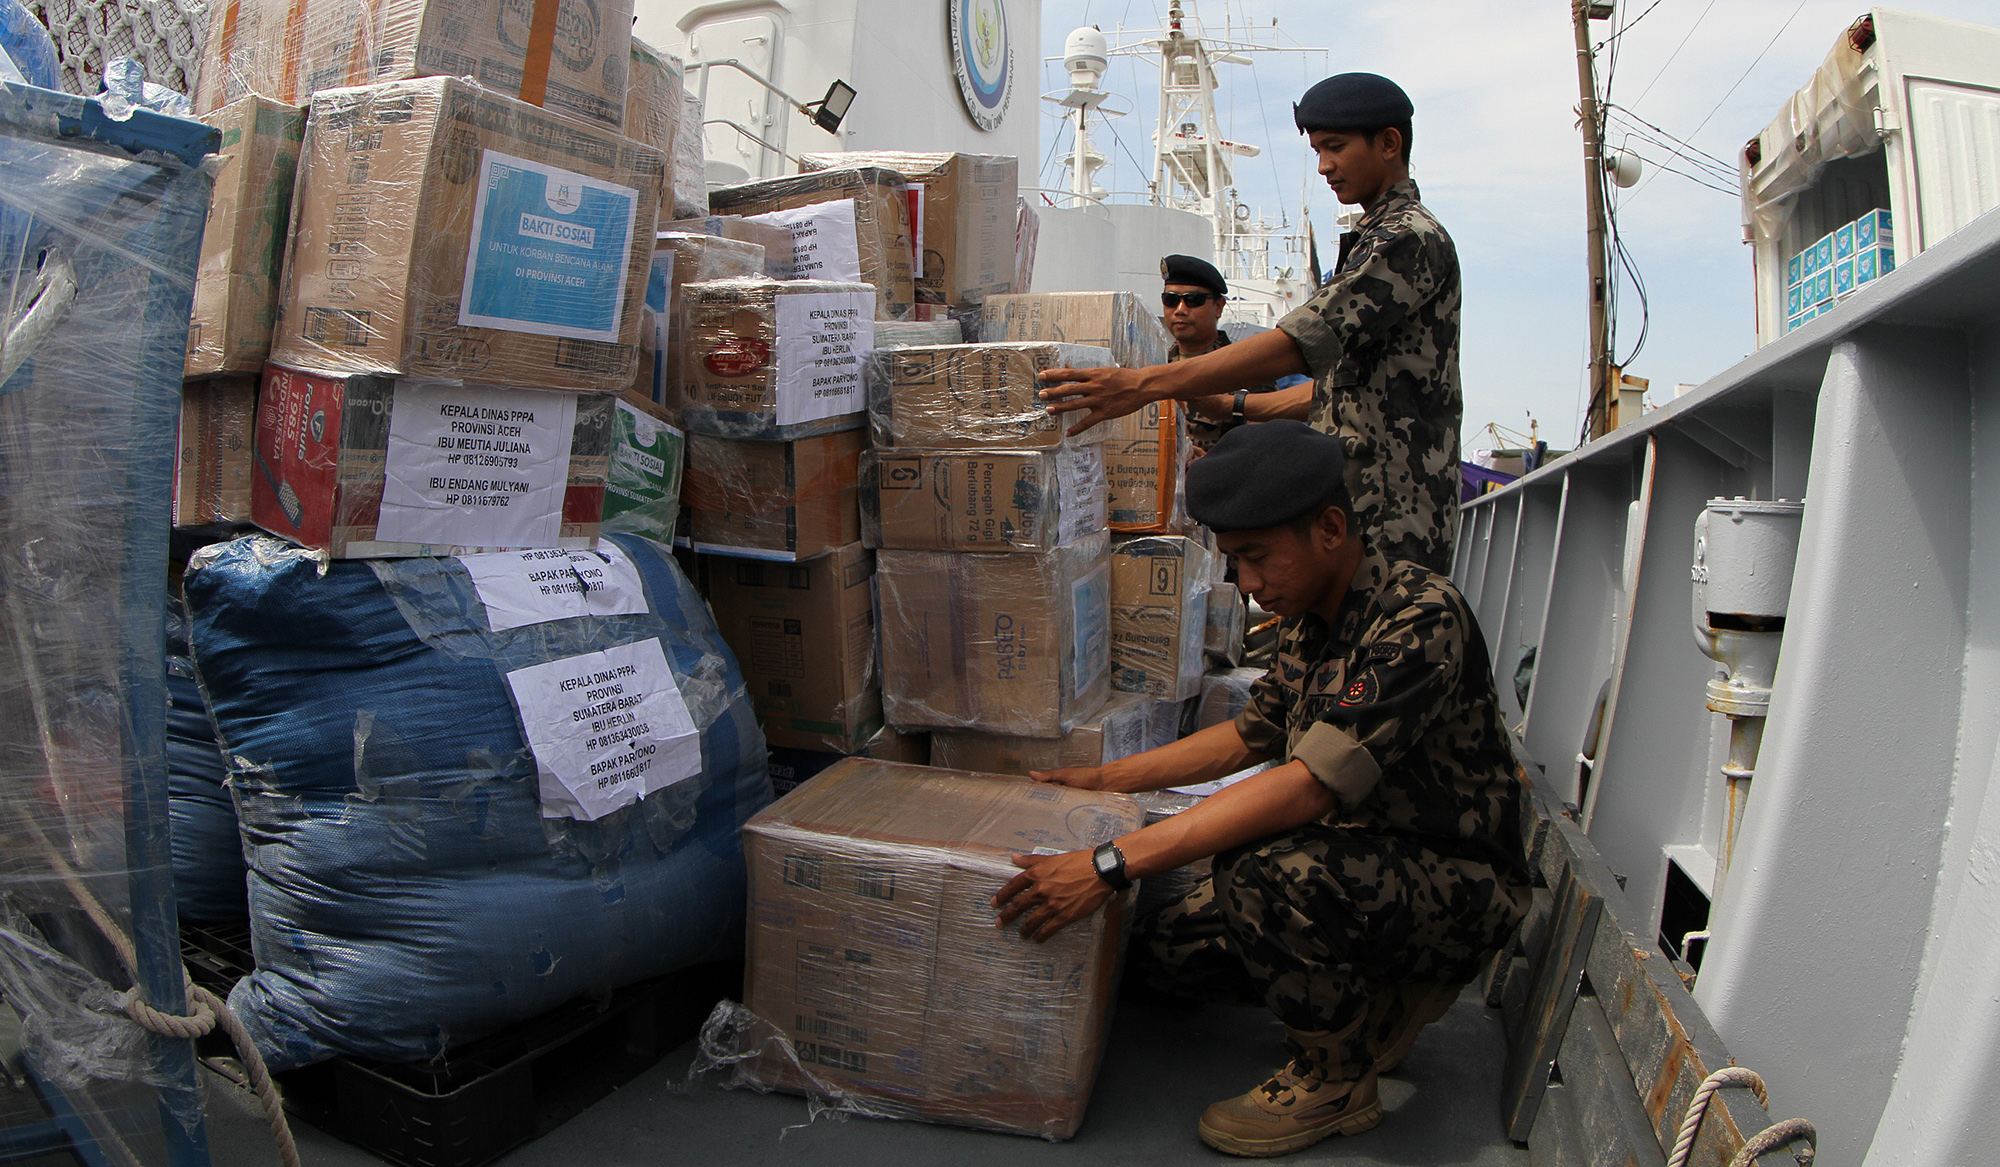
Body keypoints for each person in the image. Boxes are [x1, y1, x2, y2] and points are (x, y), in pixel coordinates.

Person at [992, 422, 1527, 1158]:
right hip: (1368, 857)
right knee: (1162, 953)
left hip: (1458, 881)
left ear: (1330, 528)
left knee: (1265, 874)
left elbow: (1307, 787)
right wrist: (1101, 777)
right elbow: (1250, 735)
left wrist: (1109, 864)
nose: (1247, 585)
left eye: (1254, 557)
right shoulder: (1312, 621)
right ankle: (1372, 999)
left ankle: (1338, 1078)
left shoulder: (1418, 617)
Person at [1040, 72, 1464, 575]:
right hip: (1361, 496)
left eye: (1336, 147)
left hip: (1393, 508)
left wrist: (1140, 385)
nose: (1325, 166)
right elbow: (1339, 389)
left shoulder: (1406, 238)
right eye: (1317, 152)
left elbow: (1298, 344)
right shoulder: (1376, 237)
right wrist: (1232, 406)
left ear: (1388, 143)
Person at [1157, 254, 1301, 449]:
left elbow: (1265, 443)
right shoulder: (1157, 369)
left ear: (1218, 307)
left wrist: (1211, 462)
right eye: (1171, 299)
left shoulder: (1248, 372)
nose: (1180, 310)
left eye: (1193, 300)